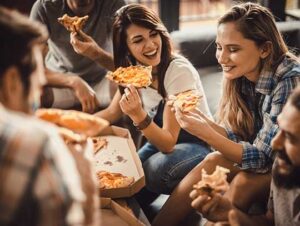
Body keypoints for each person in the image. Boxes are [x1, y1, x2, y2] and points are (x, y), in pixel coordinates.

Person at [152, 2, 300, 226]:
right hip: (266, 159)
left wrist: (206, 133)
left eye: (233, 49)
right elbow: (238, 139)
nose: (221, 58)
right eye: (219, 47)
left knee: (238, 180)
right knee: (214, 160)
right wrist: (200, 120)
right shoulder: (241, 75)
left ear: (265, 49)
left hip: (286, 166)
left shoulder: (289, 80)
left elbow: (263, 158)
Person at [77, 3, 212, 198]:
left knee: (153, 172)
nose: (150, 45)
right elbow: (111, 113)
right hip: (157, 139)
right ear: (127, 48)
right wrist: (73, 130)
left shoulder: (177, 71)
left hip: (196, 144)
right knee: (126, 181)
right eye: (138, 40)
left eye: (153, 34)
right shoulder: (135, 72)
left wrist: (138, 115)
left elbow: (168, 143)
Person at [0, 7, 98, 226]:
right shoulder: (38, 144)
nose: (40, 88)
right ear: (12, 81)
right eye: (37, 78)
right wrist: (87, 183)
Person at [190, 85, 300, 226]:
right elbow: (270, 221)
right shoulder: (285, 165)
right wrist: (232, 214)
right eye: (280, 129)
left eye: (290, 137)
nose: (275, 143)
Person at [30, 0, 126, 113]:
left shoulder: (114, 5)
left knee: (130, 88)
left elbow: (129, 68)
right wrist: (73, 82)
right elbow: (30, 67)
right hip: (61, 82)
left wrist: (96, 54)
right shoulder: (44, 7)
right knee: (33, 91)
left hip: (103, 80)